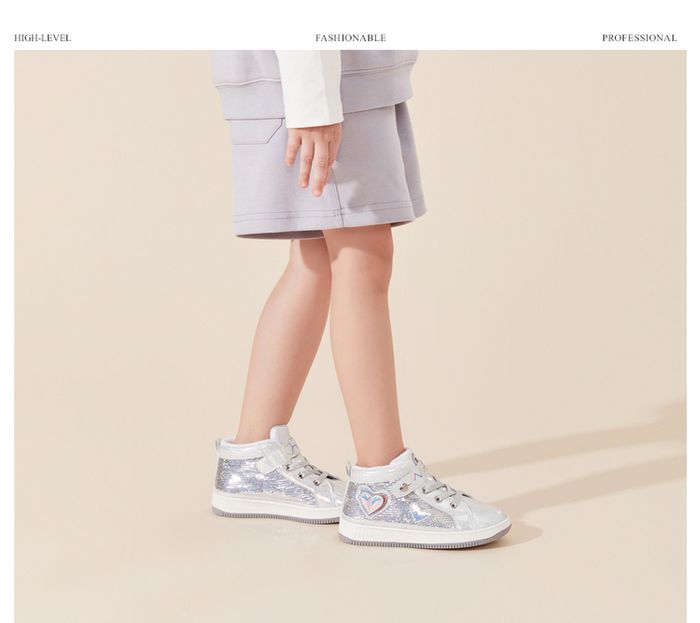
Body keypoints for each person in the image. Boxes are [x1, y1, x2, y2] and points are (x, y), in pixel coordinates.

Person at [209, 50, 510, 548]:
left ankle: (253, 459)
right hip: (324, 86)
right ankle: (383, 484)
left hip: (319, 82)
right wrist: (315, 104)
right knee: (361, 255)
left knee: (316, 260)